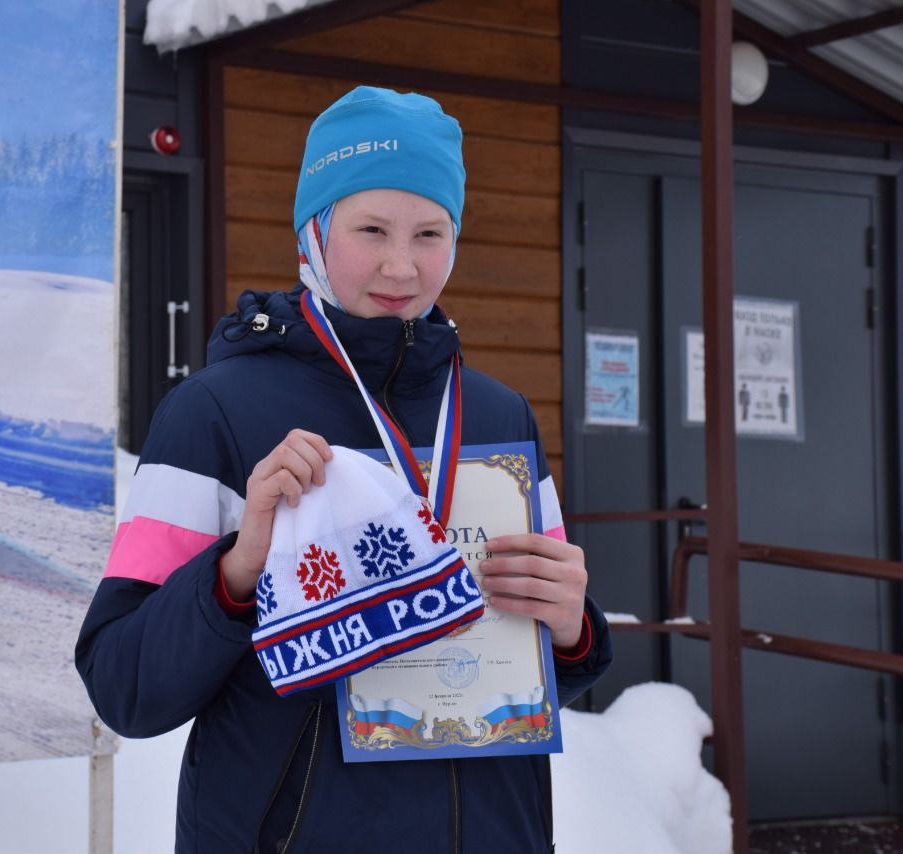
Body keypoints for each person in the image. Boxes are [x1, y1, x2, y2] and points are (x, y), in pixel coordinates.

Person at [78, 86, 611, 852]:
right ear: (313, 232)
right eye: (371, 229)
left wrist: (569, 629)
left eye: (430, 231)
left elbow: (528, 669)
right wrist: (235, 573)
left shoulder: (496, 417)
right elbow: (123, 687)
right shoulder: (214, 415)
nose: (402, 264)